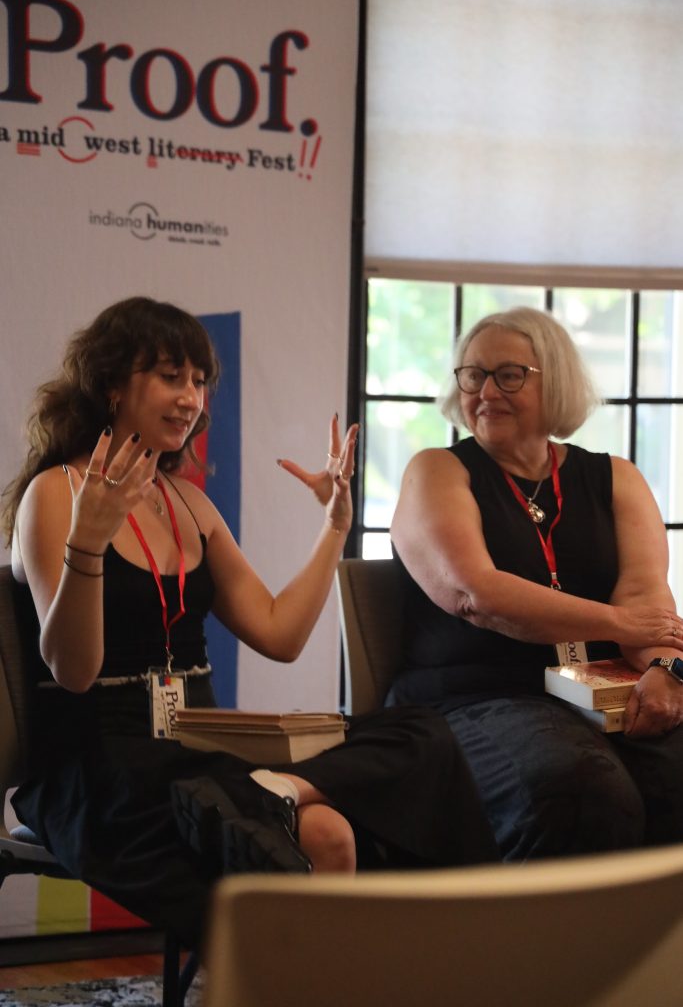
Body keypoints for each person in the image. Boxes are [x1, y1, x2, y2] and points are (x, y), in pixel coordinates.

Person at [2, 296, 497, 951]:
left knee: (419, 732)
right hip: (101, 764)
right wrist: (87, 546)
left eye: (199, 380)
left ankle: (278, 793)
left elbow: (278, 634)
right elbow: (74, 670)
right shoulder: (57, 493)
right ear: (113, 385)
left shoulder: (190, 503)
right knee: (309, 846)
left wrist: (334, 529)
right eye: (170, 376)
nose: (190, 398)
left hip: (200, 751)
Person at [389, 306, 683, 861]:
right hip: (474, 697)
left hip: (598, 691)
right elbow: (475, 593)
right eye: (473, 375)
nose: (486, 391)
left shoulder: (617, 478)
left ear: (557, 381)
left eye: (509, 374)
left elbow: (648, 602)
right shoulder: (436, 471)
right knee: (583, 790)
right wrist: (618, 623)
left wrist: (667, 672)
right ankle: (540, 948)